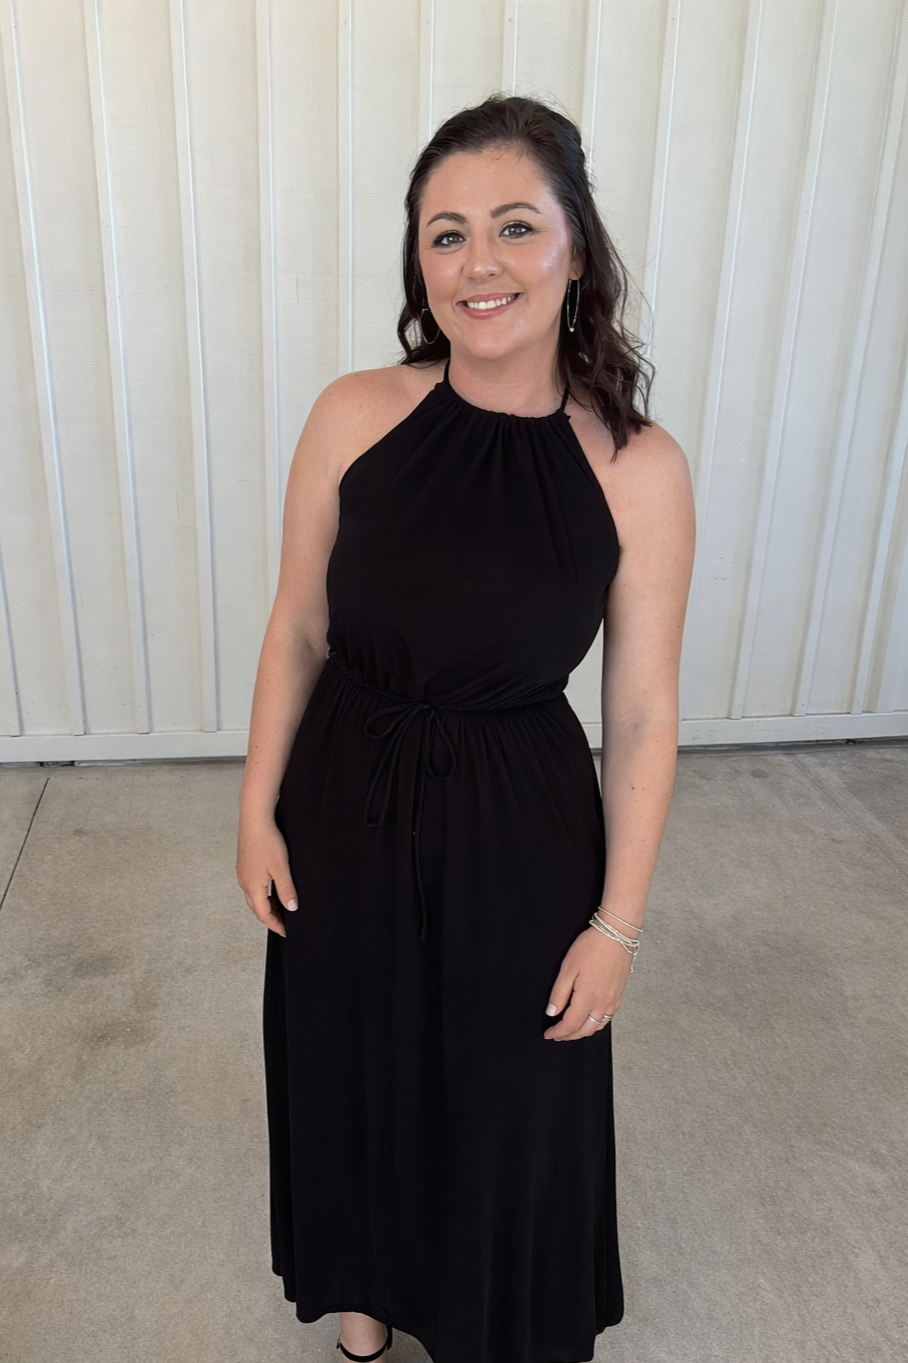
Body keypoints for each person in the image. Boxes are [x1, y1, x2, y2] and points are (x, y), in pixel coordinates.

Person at [236, 94, 694, 1363]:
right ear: (418, 261)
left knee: (507, 1093)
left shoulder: (636, 468)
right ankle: (364, 1298)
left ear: (575, 248)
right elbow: (297, 627)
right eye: (445, 234)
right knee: (352, 1061)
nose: (477, 264)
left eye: (513, 227)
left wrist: (615, 925)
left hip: (517, 828)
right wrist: (254, 806)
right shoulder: (354, 412)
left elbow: (641, 714)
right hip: (347, 798)